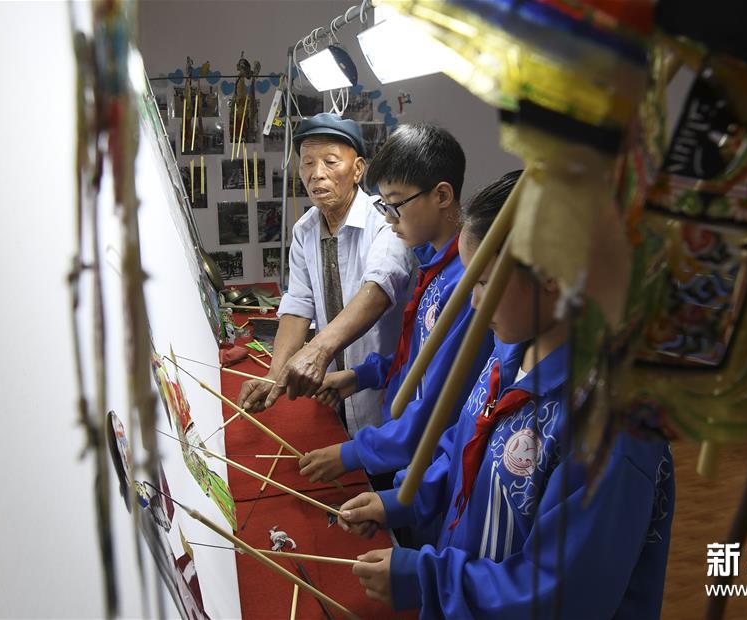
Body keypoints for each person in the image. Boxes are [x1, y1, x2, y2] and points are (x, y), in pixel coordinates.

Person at [336, 171, 676, 618]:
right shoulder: (509, 351)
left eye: (483, 283)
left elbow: (561, 596)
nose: (473, 303)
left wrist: (427, 579)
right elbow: (462, 449)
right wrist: (400, 500)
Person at [297, 124, 493, 495]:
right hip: (408, 459)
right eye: (384, 205)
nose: (388, 218)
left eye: (396, 204)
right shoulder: (432, 267)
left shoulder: (466, 284)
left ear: (442, 195)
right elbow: (417, 361)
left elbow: (436, 407)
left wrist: (351, 454)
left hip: (431, 475)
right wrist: (361, 376)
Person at [237, 113, 415, 437]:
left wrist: (316, 350)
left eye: (331, 162)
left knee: (386, 474)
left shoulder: (385, 221)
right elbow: (298, 304)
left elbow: (378, 290)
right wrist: (274, 375)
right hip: (334, 394)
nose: (317, 175)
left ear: (358, 169)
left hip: (389, 394)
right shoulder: (305, 230)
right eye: (307, 163)